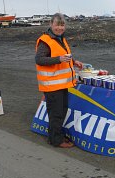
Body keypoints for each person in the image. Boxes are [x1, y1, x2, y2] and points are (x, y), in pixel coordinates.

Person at [35, 13, 83, 148]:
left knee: (61, 111)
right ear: (51, 24)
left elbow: (64, 55)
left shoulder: (60, 39)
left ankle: (57, 135)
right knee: (56, 113)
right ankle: (56, 140)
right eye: (57, 25)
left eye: (62, 25)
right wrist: (59, 60)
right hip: (51, 85)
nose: (60, 28)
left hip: (62, 84)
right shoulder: (46, 40)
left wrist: (74, 61)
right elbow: (39, 59)